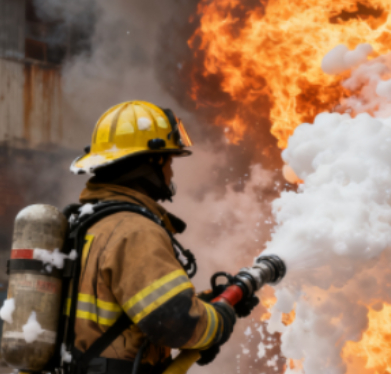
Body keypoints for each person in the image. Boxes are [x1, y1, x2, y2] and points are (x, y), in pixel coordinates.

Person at [62, 100, 256, 374]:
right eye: (168, 161)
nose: (171, 172)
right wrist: (221, 318)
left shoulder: (88, 222)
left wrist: (210, 300)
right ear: (150, 162)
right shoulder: (134, 231)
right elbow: (178, 324)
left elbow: (132, 309)